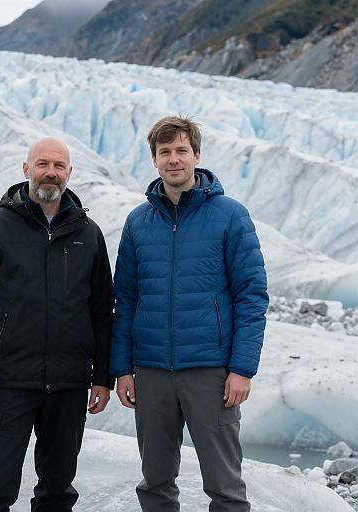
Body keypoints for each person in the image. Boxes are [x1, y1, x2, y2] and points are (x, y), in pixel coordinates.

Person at [110, 116, 268, 512]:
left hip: (211, 372)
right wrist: (122, 368)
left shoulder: (230, 215)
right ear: (154, 159)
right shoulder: (138, 222)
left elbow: (252, 296)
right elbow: (125, 300)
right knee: (156, 484)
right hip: (151, 372)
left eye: (182, 151)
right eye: (166, 152)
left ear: (196, 155)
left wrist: (242, 368)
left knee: (225, 488)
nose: (174, 160)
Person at [0, 137, 114, 512]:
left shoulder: (88, 234)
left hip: (69, 385)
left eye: (59, 166)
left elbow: (103, 310)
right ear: (26, 169)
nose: (51, 173)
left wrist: (102, 377)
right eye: (42, 164)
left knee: (58, 492)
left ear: (70, 174)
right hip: (8, 384)